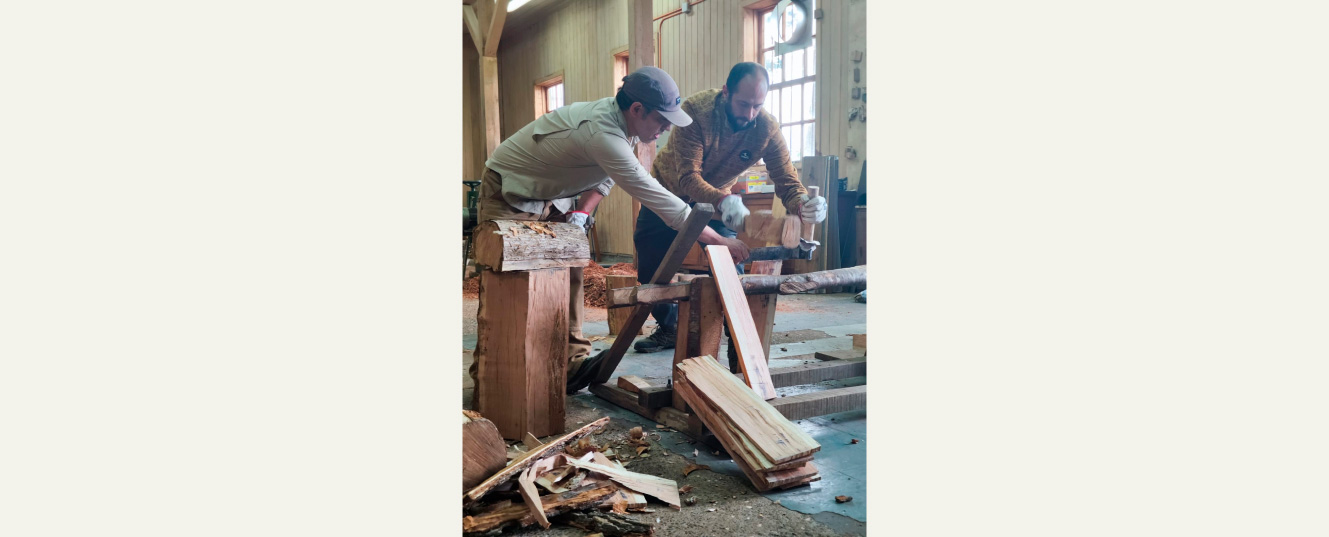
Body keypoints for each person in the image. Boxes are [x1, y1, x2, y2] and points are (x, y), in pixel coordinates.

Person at [470, 66, 751, 396]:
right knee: (512, 281)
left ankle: (571, 362)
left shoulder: (626, 127)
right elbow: (652, 194)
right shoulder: (602, 133)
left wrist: (581, 210)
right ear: (637, 110)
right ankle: (493, 378)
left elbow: (607, 177)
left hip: (553, 194)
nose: (665, 129)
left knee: (571, 268)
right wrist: (718, 240)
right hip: (512, 189)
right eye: (662, 119)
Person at [632, 62, 828, 357]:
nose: (749, 114)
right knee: (651, 268)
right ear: (726, 92)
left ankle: (738, 339)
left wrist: (804, 204)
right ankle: (670, 327)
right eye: (743, 104)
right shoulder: (695, 113)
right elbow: (688, 177)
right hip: (668, 193)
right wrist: (724, 200)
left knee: (728, 266)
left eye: (757, 106)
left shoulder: (767, 129)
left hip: (718, 202)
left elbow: (787, 182)